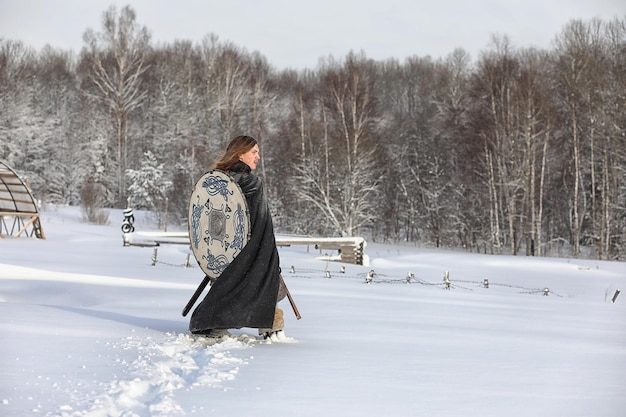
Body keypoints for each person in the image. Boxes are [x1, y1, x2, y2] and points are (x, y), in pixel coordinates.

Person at [189, 135, 287, 341]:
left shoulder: (220, 178)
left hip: (225, 252)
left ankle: (268, 321)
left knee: (230, 285)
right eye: (254, 152)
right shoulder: (251, 182)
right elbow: (261, 224)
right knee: (260, 282)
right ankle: (267, 322)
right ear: (240, 154)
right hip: (246, 251)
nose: (258, 157)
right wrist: (266, 255)